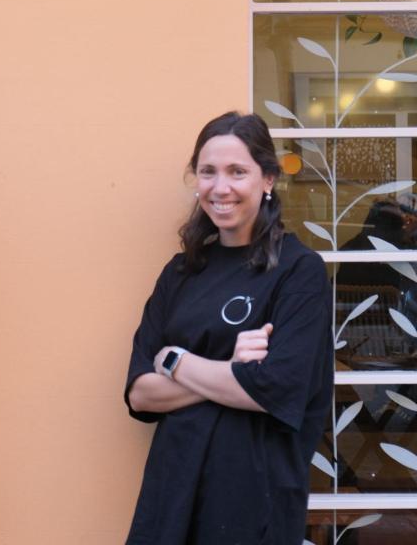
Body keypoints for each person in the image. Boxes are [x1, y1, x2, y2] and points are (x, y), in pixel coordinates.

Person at [124, 112, 332, 544]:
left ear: (268, 179)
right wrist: (231, 368)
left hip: (254, 498)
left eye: (238, 172)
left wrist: (175, 361)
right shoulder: (180, 273)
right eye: (208, 172)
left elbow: (277, 389)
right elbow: (140, 393)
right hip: (173, 489)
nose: (221, 188)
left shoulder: (298, 272)